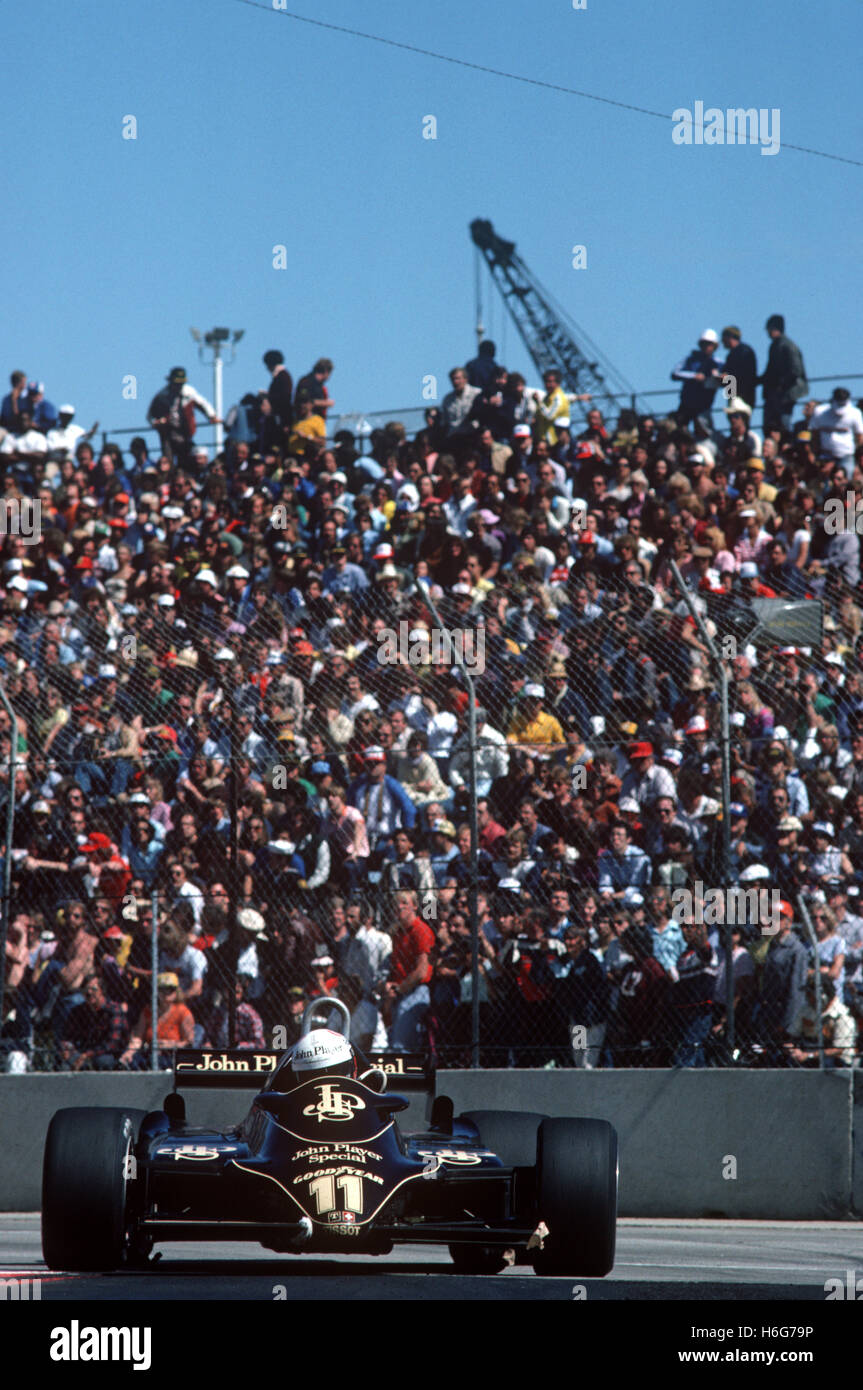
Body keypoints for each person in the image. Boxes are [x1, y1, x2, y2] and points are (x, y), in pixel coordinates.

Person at [758, 315, 808, 434]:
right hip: (778, 393)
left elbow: (796, 370)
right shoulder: (775, 345)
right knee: (773, 423)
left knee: (784, 422)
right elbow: (770, 370)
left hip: (787, 392)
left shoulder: (787, 346)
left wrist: (781, 385)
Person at [670, 329, 725, 431]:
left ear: (715, 346)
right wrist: (694, 376)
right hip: (687, 403)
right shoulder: (691, 359)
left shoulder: (719, 363)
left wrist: (720, 378)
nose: (707, 347)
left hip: (705, 405)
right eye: (704, 344)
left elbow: (729, 379)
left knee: (704, 431)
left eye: (709, 344)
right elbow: (674, 373)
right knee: (680, 430)